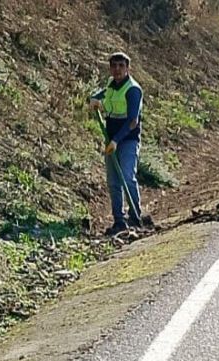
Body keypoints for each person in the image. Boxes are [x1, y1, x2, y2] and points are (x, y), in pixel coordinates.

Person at [89, 51, 151, 236]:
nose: (117, 70)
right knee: (113, 181)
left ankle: (135, 216)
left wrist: (116, 140)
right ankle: (119, 220)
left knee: (127, 176)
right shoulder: (111, 84)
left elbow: (133, 120)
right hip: (111, 139)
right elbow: (104, 93)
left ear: (127, 68)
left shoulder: (133, 90)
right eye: (113, 66)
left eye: (121, 66)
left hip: (128, 139)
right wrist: (94, 98)